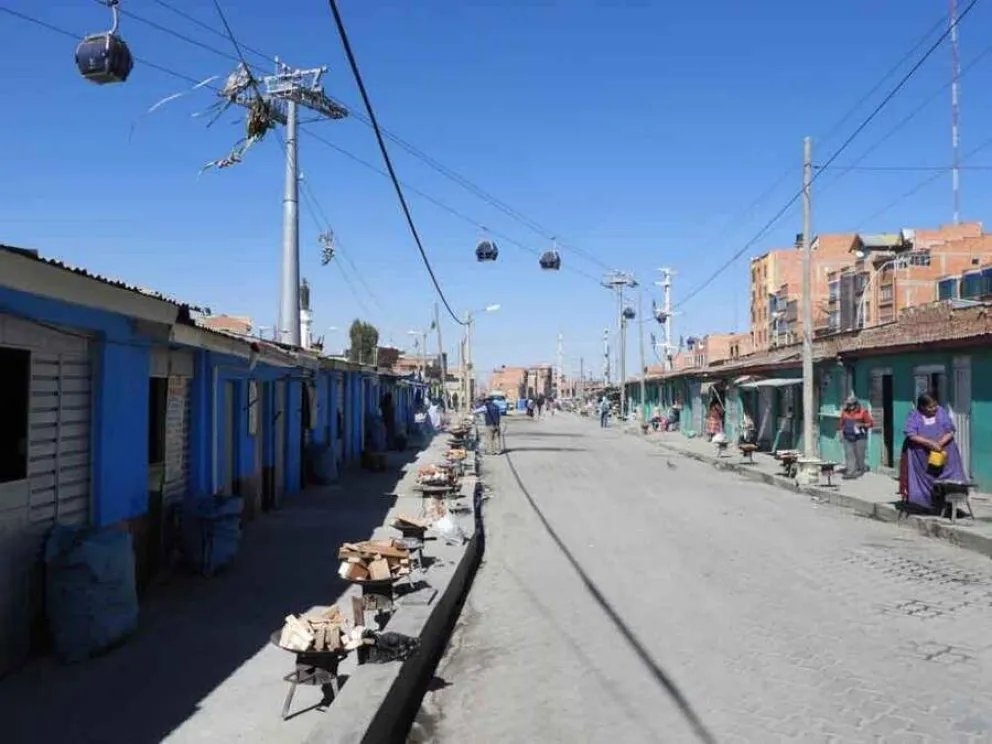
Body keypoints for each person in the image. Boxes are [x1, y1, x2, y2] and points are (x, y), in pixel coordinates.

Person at [899, 392, 967, 512]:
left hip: (944, 452)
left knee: (949, 478)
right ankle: (928, 505)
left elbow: (950, 430)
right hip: (922, 457)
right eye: (930, 407)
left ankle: (949, 504)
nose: (934, 409)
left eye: (935, 405)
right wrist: (930, 443)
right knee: (926, 479)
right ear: (922, 407)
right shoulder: (914, 416)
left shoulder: (941, 412)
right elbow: (911, 434)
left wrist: (939, 444)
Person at [838, 393, 873, 478]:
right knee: (849, 454)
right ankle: (850, 472)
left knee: (859, 454)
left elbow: (871, 423)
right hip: (847, 436)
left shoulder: (863, 412)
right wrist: (841, 434)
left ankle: (860, 469)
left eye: (851, 404)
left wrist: (862, 425)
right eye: (848, 404)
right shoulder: (845, 412)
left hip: (860, 437)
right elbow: (841, 424)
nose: (849, 406)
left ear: (856, 404)